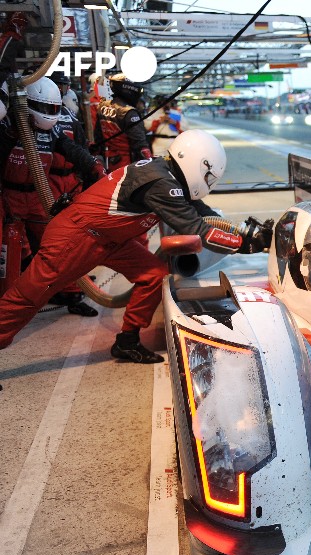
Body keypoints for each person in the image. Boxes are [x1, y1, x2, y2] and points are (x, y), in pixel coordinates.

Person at [0, 130, 272, 364]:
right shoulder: (162, 183)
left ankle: (127, 341)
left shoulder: (165, 173)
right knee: (27, 298)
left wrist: (240, 231)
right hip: (77, 237)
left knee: (153, 275)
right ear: (197, 164)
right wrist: (246, 244)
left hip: (108, 239)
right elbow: (198, 229)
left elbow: (202, 212)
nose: (208, 183)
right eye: (208, 176)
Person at [0, 77, 105, 318]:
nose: (49, 114)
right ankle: (9, 306)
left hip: (39, 195)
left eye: (53, 109)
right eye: (44, 108)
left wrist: (93, 166)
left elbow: (72, 149)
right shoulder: (7, 124)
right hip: (8, 199)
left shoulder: (54, 130)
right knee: (9, 250)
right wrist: (10, 135)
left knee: (61, 244)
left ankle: (72, 294)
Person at [94, 72, 152, 170]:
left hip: (108, 161)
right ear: (129, 90)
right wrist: (150, 164)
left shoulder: (102, 106)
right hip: (127, 164)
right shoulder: (130, 112)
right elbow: (140, 145)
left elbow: (98, 136)